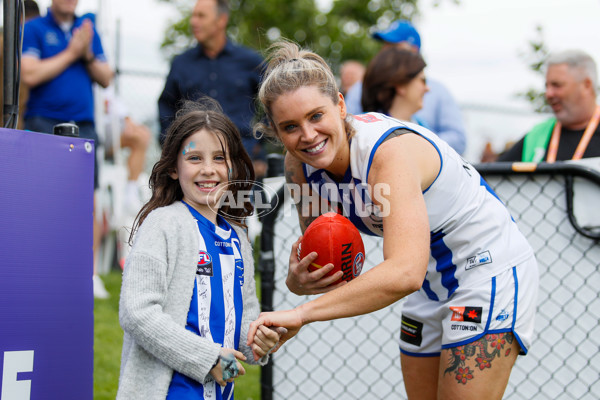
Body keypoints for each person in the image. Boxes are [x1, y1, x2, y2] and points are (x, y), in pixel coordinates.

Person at [247, 41, 539, 400]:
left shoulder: (386, 153)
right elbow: (329, 266)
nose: (307, 135)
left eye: (316, 116)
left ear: (340, 105)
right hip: (428, 282)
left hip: (485, 267)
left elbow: (404, 272)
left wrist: (301, 314)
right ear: (276, 132)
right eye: (290, 126)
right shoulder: (300, 168)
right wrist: (300, 281)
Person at [117, 99, 283, 399]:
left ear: (233, 166)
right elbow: (137, 313)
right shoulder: (162, 224)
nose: (208, 169)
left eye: (219, 158)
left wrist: (259, 340)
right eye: (195, 158)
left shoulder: (238, 238)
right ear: (172, 168)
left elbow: (243, 323)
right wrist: (210, 359)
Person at [21, 0, 113, 298]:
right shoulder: (34, 29)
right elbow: (30, 74)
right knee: (40, 199)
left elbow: (105, 76)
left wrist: (85, 53)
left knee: (88, 199)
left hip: (83, 124)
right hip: (42, 121)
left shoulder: (88, 29)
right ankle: (39, 268)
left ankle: (90, 273)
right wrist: (72, 53)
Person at [158, 0, 267, 178]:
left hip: (241, 160)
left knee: (242, 206)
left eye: (201, 16)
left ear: (221, 20)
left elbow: (275, 100)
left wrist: (258, 146)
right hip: (194, 165)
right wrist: (171, 150)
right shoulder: (181, 64)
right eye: (193, 15)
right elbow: (165, 106)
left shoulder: (250, 61)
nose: (193, 21)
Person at [345, 19, 467, 155]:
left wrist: (416, 147)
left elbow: (458, 139)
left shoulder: (438, 93)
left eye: (393, 47)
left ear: (413, 51)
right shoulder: (360, 89)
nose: (384, 51)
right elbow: (348, 133)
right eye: (384, 46)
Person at [498, 49, 600, 163]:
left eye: (557, 85)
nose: (548, 94)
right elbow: (494, 176)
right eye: (547, 86)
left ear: (586, 85)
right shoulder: (537, 135)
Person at [100, 86, 151, 214]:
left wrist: (128, 121)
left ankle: (131, 191)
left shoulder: (104, 78)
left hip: (109, 128)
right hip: (91, 126)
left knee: (142, 135)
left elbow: (112, 101)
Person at [361, 47, 429, 126]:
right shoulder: (363, 129)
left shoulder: (423, 127)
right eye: (423, 80)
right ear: (401, 84)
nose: (427, 88)